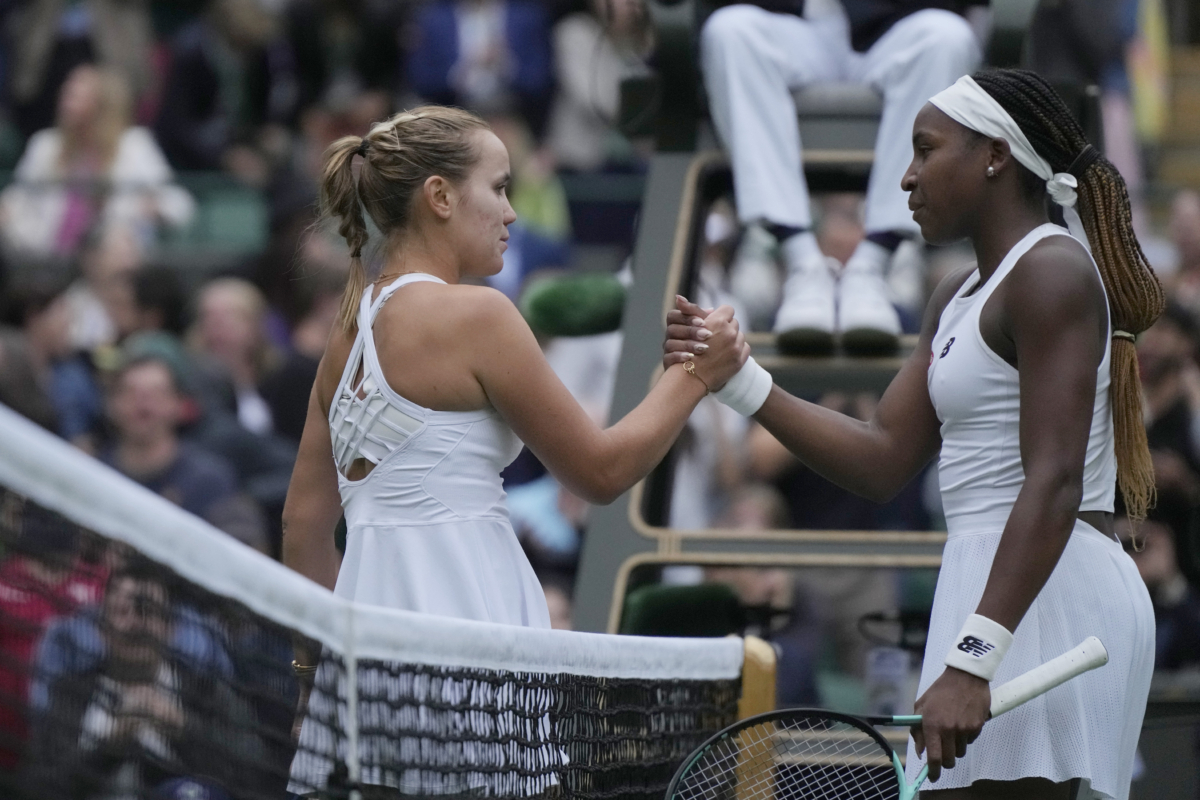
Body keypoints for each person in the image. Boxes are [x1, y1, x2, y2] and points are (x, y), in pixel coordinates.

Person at [667, 68, 1161, 798]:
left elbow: (1054, 480)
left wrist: (972, 659)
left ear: (994, 154)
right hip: (995, 596)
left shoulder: (1050, 272)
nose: (905, 178)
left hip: (1047, 596)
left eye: (926, 150)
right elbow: (880, 458)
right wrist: (740, 380)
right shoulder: (955, 295)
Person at [281, 105, 745, 795]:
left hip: (363, 665)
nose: (512, 212)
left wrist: (314, 678)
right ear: (440, 197)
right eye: (498, 188)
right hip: (471, 640)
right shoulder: (480, 315)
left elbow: (303, 526)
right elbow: (603, 470)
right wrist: (698, 377)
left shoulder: (346, 336)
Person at [702, 0, 982, 352]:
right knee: (730, 30)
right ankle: (802, 265)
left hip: (895, 27)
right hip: (790, 27)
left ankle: (873, 266)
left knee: (947, 36)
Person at [0, 65, 194, 258]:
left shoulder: (134, 145)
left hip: (109, 254)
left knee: (117, 240)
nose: (65, 103)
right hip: (45, 255)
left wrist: (152, 207)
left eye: (75, 96)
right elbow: (16, 197)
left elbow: (178, 203)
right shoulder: (45, 144)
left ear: (102, 103)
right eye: (66, 94)